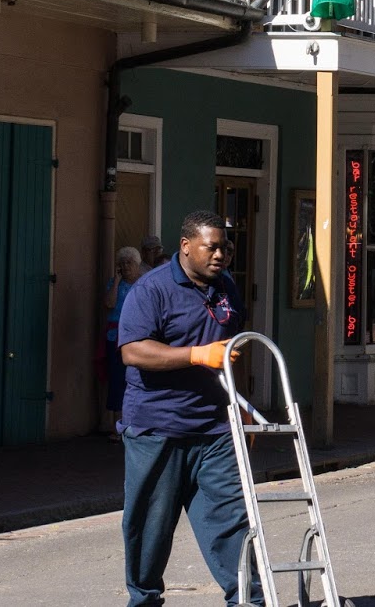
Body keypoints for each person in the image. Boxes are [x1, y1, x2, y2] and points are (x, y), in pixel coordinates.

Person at [117, 210, 258, 607]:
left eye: (225, 248)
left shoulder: (227, 287)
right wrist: (196, 355)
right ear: (185, 246)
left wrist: (241, 404)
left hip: (215, 428)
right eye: (211, 247)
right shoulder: (152, 289)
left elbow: (231, 351)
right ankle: (144, 600)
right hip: (157, 428)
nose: (220, 255)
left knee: (232, 520)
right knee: (150, 527)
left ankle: (249, 600)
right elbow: (133, 351)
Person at [103, 246, 146, 439]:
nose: (126, 266)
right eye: (122, 263)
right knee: (116, 379)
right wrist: (116, 281)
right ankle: (117, 427)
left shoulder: (144, 284)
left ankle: (136, 424)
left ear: (137, 265)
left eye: (130, 262)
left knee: (137, 379)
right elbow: (109, 303)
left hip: (138, 337)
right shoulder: (115, 283)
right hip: (115, 337)